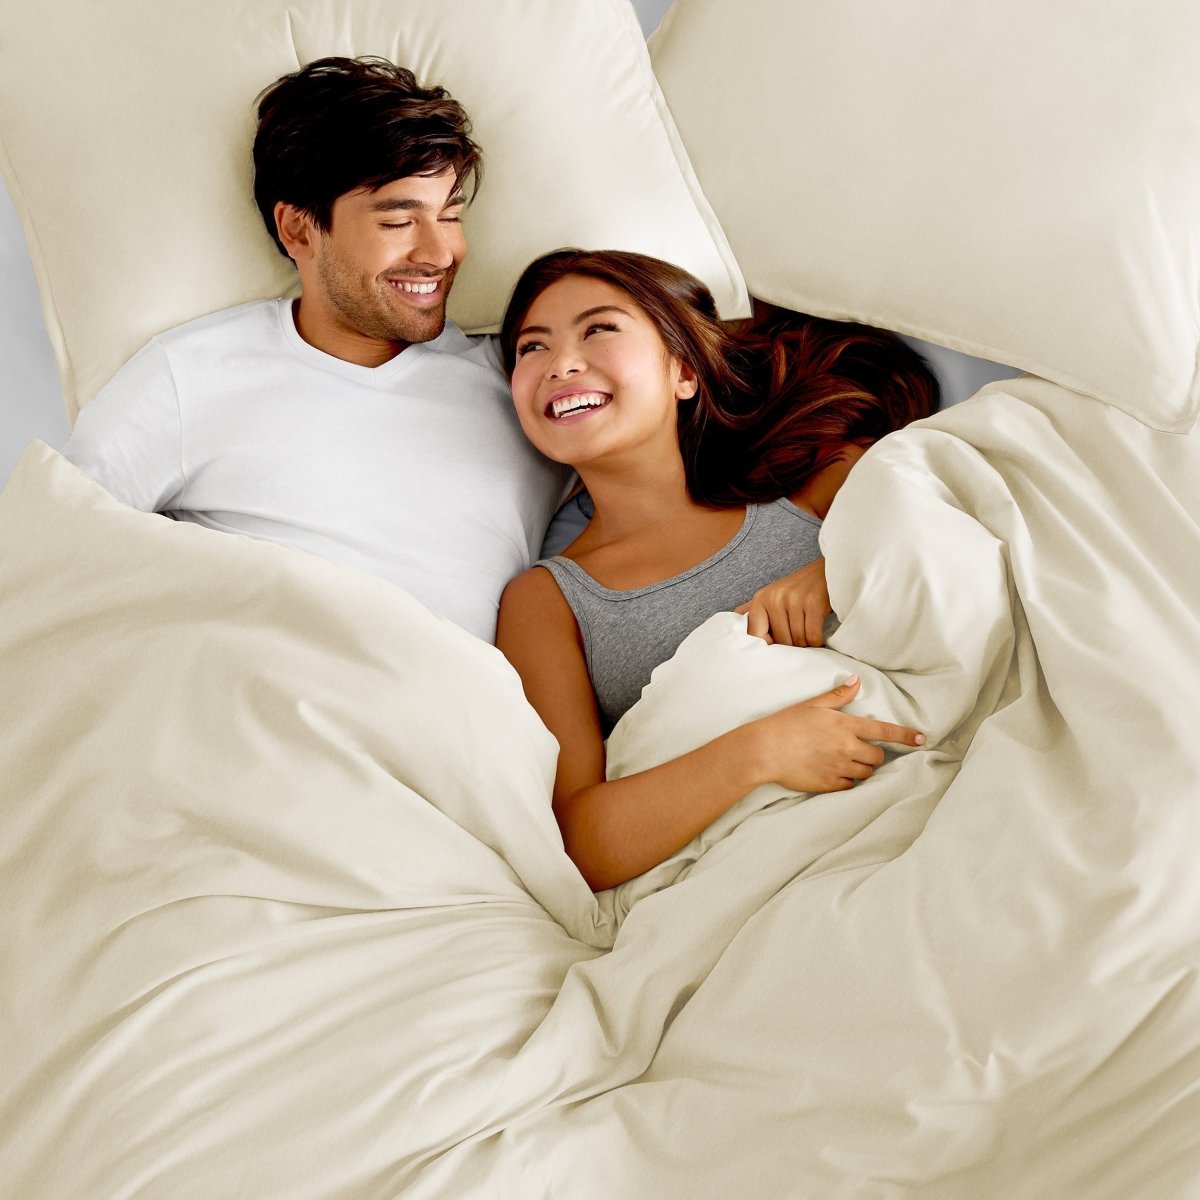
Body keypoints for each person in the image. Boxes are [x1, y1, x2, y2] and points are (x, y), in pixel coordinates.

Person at [60, 57, 571, 643]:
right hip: (265, 680)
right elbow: (54, 558)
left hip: (459, 692)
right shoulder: (189, 375)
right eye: (398, 222)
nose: (439, 253)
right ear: (299, 230)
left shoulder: (523, 382)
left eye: (450, 216)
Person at [495, 249, 939, 891]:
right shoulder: (546, 601)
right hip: (762, 872)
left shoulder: (816, 482)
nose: (560, 363)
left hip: (916, 791)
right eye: (531, 347)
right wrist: (762, 751)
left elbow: (951, 525)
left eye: (599, 329)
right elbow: (579, 843)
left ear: (683, 371)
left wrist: (840, 570)